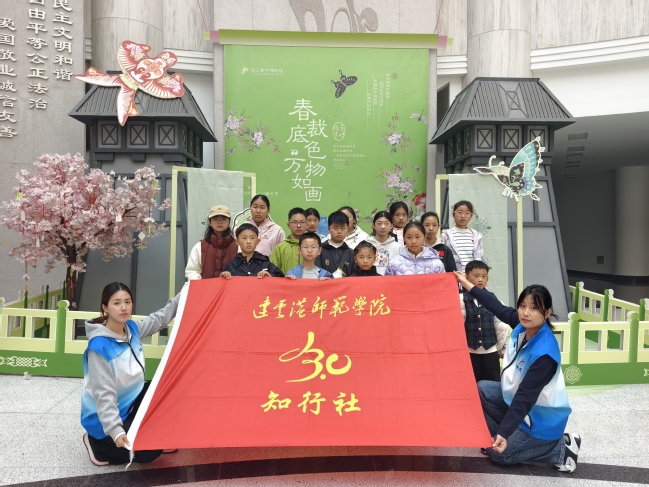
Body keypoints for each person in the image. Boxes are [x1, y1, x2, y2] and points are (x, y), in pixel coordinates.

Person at [454, 271, 581, 473]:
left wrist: (504, 432)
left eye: (534, 308)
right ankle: (502, 438)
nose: (526, 313)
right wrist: (466, 283)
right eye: (522, 306)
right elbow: (494, 304)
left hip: (541, 419)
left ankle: (561, 447)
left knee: (499, 455)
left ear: (547, 312)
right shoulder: (523, 327)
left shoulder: (544, 354)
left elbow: (525, 397)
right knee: (483, 389)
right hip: (522, 408)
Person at [81, 282, 180, 466]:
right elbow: (104, 395)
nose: (123, 307)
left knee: (166, 388)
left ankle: (147, 434)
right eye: (117, 303)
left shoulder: (132, 329)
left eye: (127, 302)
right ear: (105, 307)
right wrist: (116, 431)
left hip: (129, 404)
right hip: (103, 419)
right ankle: (97, 444)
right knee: (149, 453)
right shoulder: (99, 348)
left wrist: (187, 291)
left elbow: (159, 318)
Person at [460, 260, 509, 382]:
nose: (480, 280)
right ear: (467, 277)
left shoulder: (493, 299)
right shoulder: (460, 299)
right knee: (471, 384)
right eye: (476, 276)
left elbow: (500, 326)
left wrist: (501, 348)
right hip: (469, 352)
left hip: (491, 352)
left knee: (492, 384)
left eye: (484, 276)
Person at [185, 205, 238, 280]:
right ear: (210, 222)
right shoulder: (200, 246)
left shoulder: (238, 246)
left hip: (232, 287)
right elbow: (192, 271)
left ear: (229, 222)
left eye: (224, 219)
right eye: (215, 219)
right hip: (205, 287)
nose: (219, 222)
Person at [441, 200, 485, 272]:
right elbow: (443, 259)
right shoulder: (446, 235)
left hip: (472, 276)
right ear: (453, 215)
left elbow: (480, 259)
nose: (463, 216)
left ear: (471, 216)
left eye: (467, 213)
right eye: (459, 212)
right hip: (454, 275)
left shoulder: (476, 236)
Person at [316, 210, 356, 277]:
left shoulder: (351, 253)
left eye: (343, 228)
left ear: (347, 230)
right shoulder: (320, 250)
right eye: (335, 228)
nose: (339, 231)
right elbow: (316, 272)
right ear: (329, 229)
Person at [270, 207, 307, 274]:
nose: (298, 225)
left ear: (307, 225)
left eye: (302, 222)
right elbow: (272, 272)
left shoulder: (313, 247)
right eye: (295, 222)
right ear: (288, 225)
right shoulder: (280, 248)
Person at [366, 210, 401, 275]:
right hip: (370, 279)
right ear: (373, 225)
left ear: (391, 226)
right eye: (379, 223)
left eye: (386, 223)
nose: (383, 227)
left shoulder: (397, 247)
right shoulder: (366, 245)